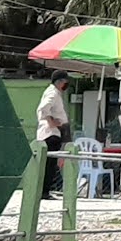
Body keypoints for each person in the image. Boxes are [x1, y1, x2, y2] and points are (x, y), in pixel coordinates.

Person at [36, 71, 72, 199]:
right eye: (64, 83)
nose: (65, 85)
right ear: (59, 82)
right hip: (51, 133)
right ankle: (44, 191)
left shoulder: (54, 93)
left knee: (49, 164)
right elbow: (43, 108)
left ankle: (45, 190)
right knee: (49, 164)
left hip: (53, 132)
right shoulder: (52, 93)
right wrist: (51, 121)